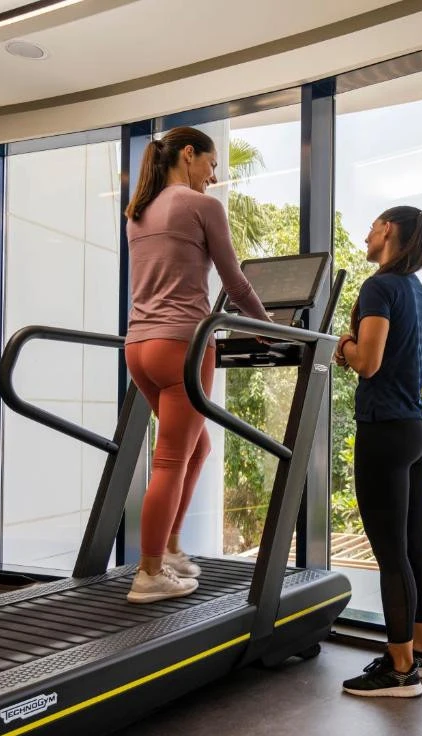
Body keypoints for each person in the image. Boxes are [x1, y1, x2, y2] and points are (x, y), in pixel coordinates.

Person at [122, 126, 272, 604]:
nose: (213, 177)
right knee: (170, 460)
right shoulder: (201, 207)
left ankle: (167, 546)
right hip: (183, 345)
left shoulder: (138, 213)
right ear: (189, 155)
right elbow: (236, 281)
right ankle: (149, 572)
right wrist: (269, 327)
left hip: (139, 348)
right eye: (211, 166)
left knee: (198, 447)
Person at [335, 206, 422, 698]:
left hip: (385, 430)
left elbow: (369, 363)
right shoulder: (420, 294)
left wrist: (345, 346)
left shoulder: (379, 287)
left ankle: (400, 670)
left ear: (389, 231)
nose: (367, 231)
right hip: (419, 428)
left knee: (390, 553)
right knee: (413, 544)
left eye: (373, 223)